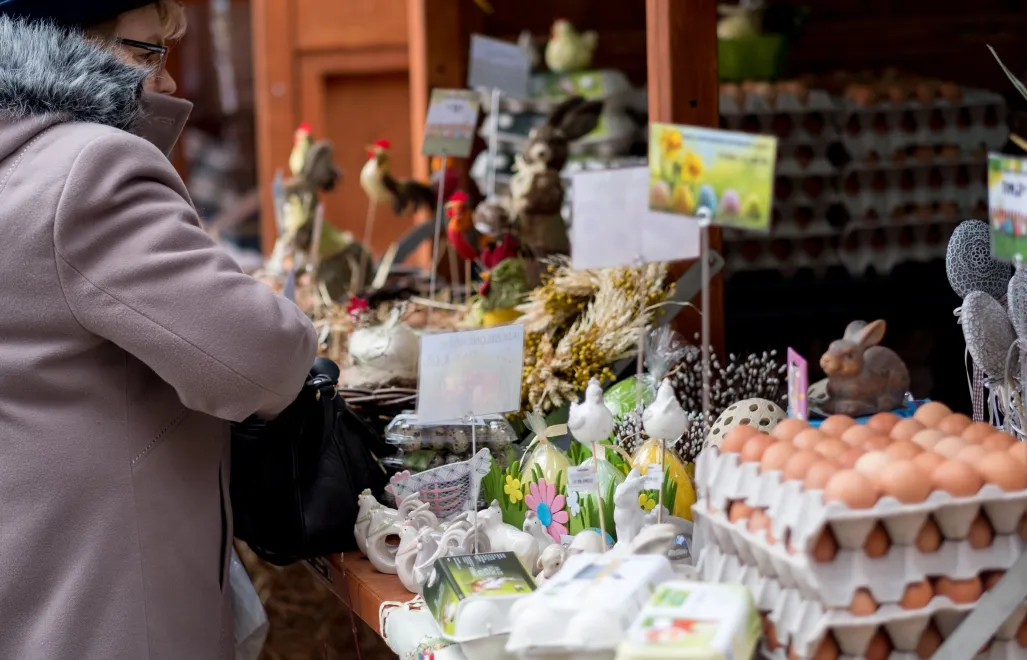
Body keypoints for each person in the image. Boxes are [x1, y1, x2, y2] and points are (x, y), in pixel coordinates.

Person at [0, 2, 318, 658]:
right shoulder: (88, 168)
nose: (169, 83)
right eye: (150, 53)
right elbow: (261, 357)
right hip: (104, 603)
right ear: (73, 42)